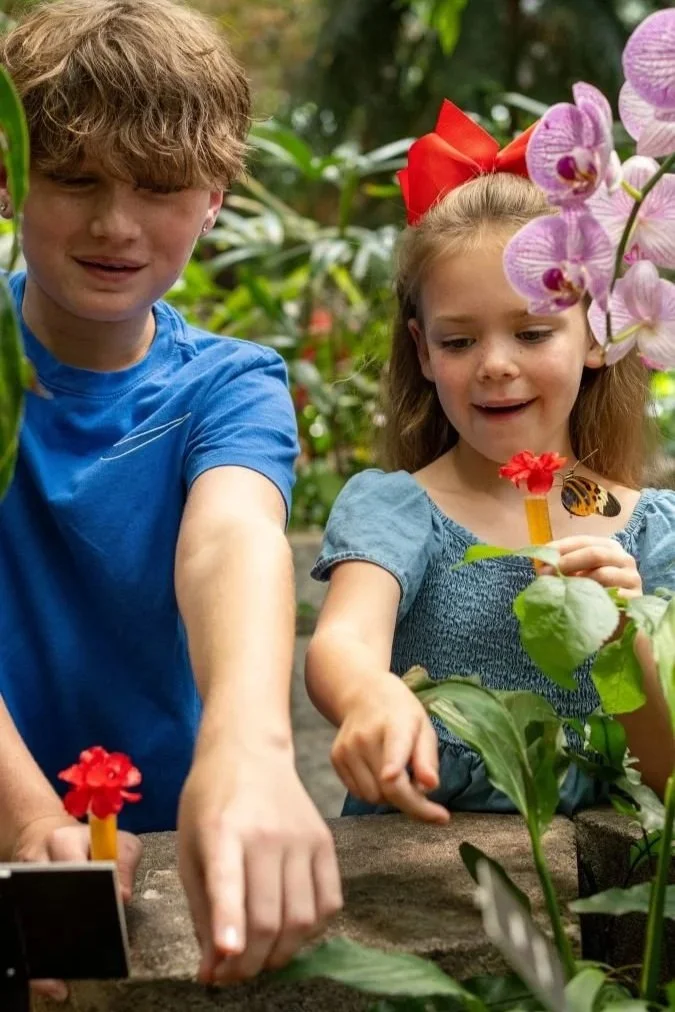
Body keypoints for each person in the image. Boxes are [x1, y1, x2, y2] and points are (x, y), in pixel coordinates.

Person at [0, 0, 341, 998]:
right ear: (11, 177)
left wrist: (251, 743)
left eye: (157, 186)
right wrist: (25, 817)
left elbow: (231, 537)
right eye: (74, 179)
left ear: (215, 197)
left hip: (164, 840)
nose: (115, 223)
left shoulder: (231, 386)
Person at [304, 103, 675, 827]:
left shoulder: (650, 537)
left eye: (532, 332)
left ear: (599, 329)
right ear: (421, 350)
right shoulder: (397, 510)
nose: (495, 366)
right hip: (417, 889)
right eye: (458, 342)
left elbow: (663, 774)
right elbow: (345, 639)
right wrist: (366, 695)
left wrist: (625, 639)